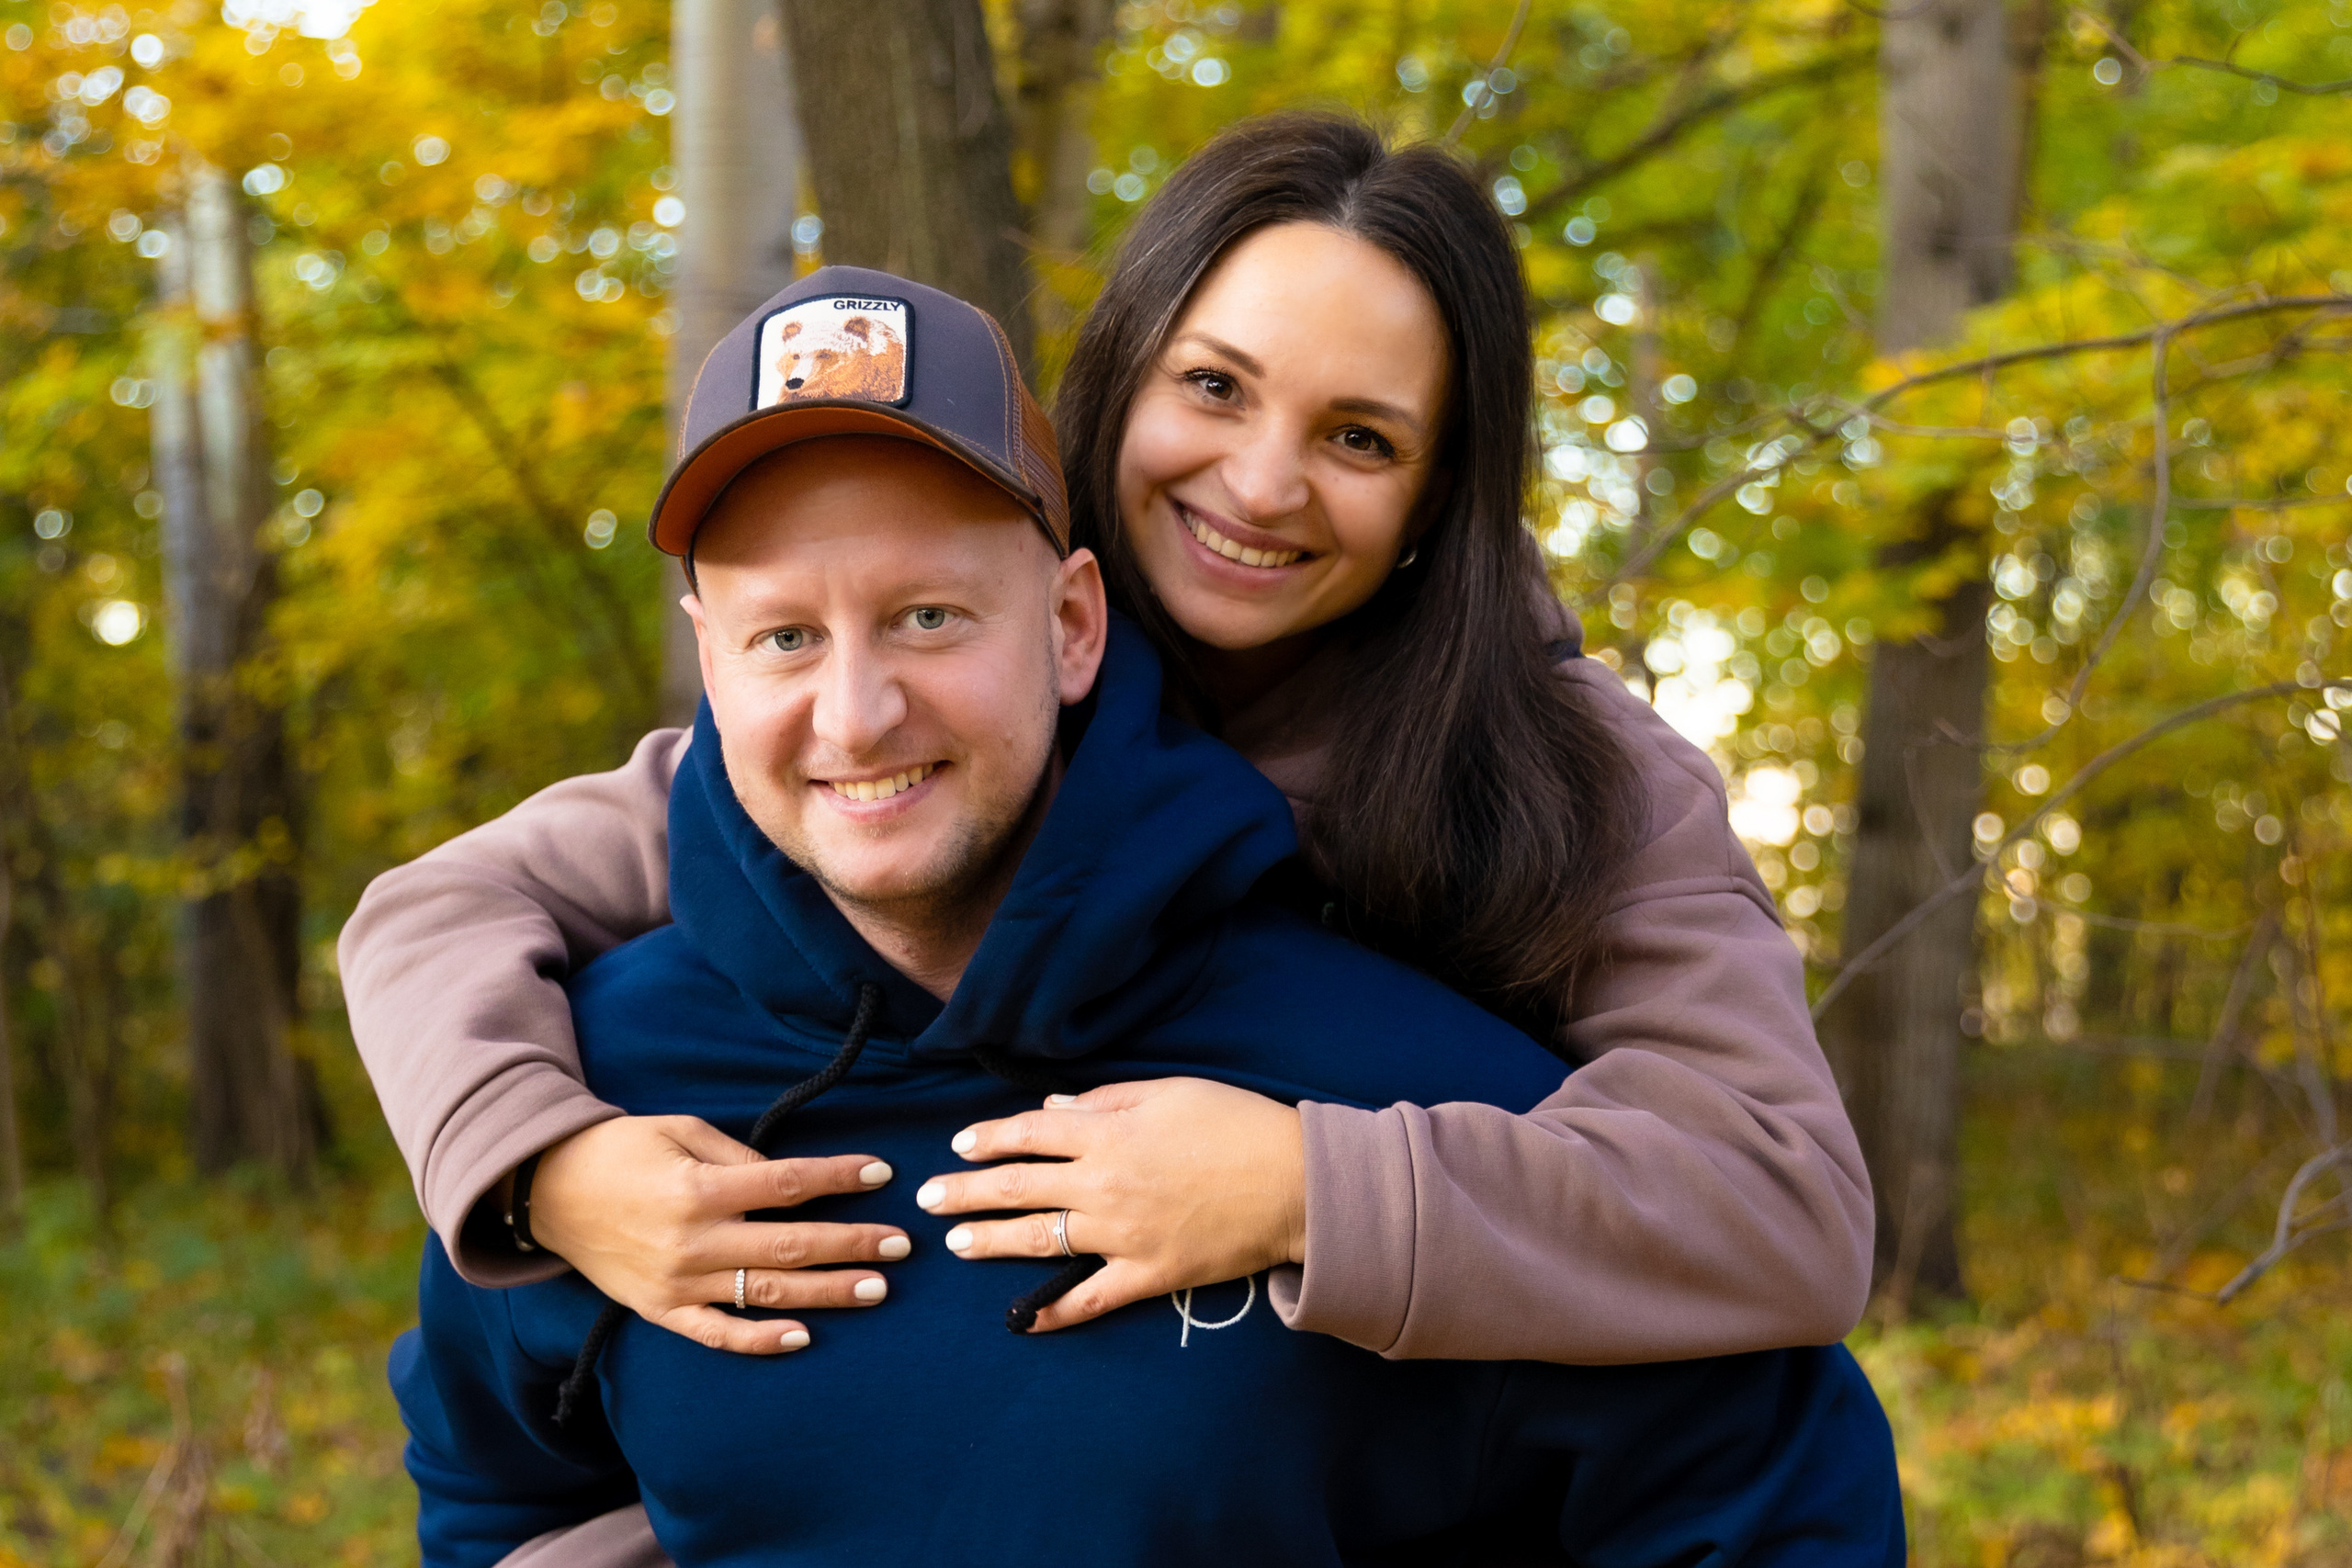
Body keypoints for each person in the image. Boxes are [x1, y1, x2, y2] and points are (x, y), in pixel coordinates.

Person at [348, 113, 1867, 1413]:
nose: (1261, 483)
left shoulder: (1568, 769)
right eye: (1214, 388)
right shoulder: (958, 694)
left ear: (1435, 496)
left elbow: (1781, 1195)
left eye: (1359, 438)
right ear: (1123, 375)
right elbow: (438, 915)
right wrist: (554, 1174)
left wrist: (1299, 1186)